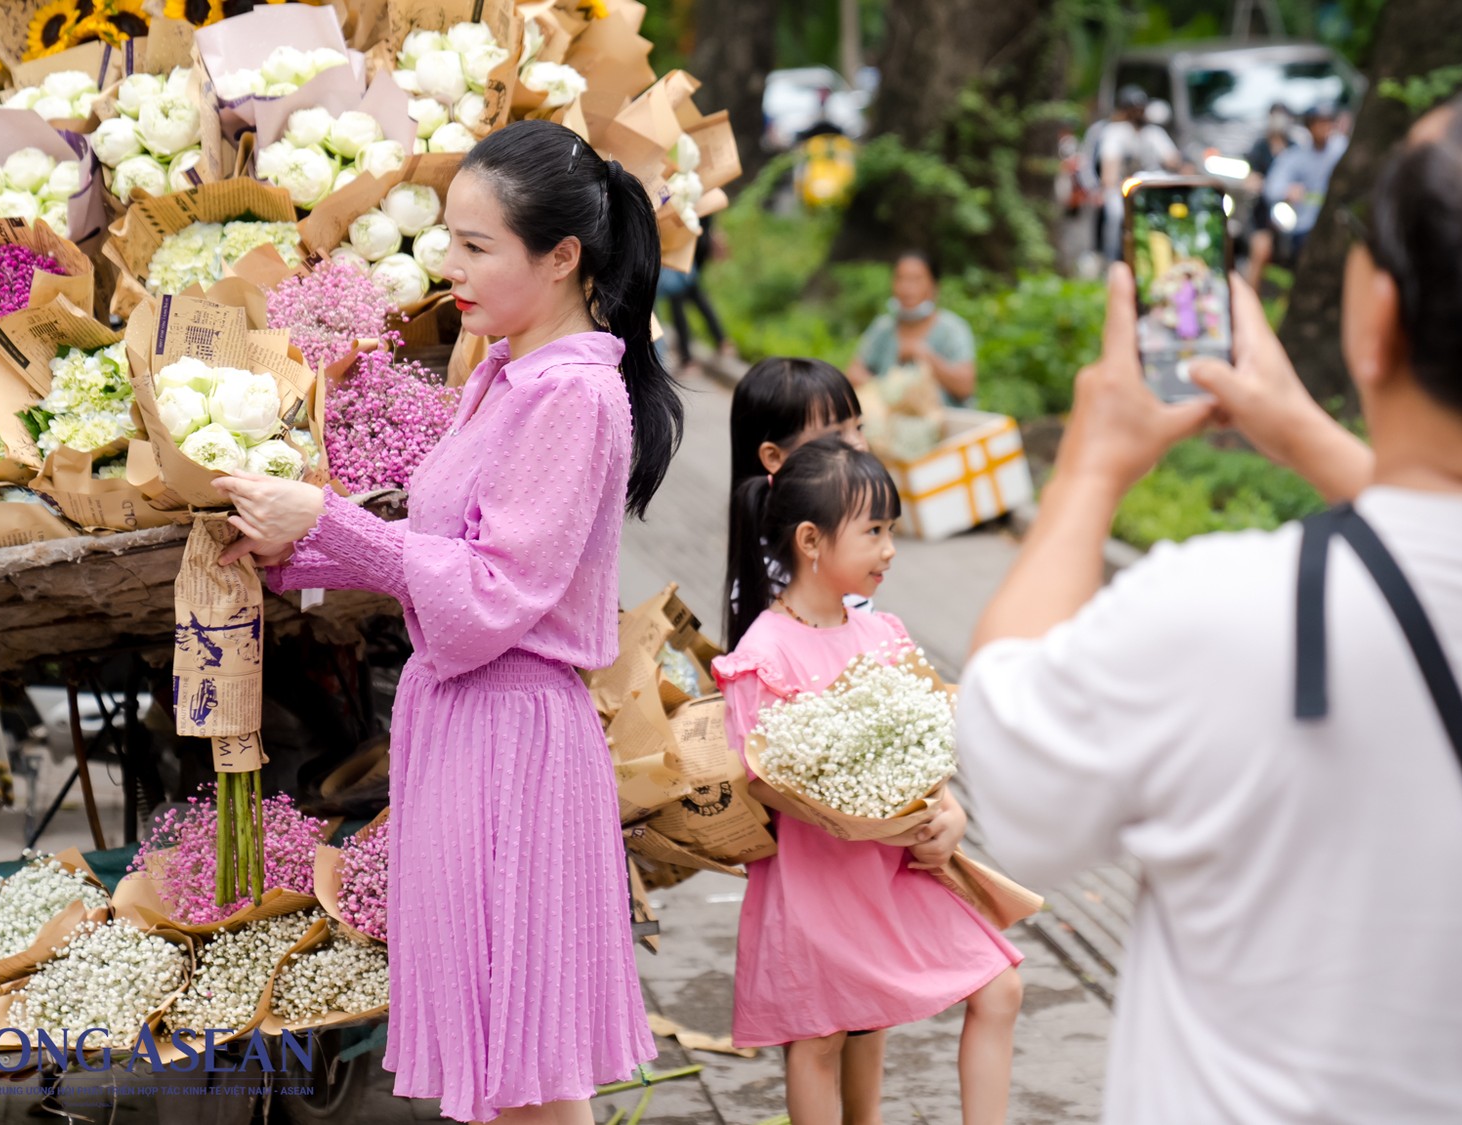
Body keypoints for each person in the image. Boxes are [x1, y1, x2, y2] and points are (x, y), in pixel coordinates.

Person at [958, 68, 1462, 1123]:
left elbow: (1010, 779)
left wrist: (1092, 468)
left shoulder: (1222, 617)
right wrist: (1300, 434)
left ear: (1374, 313)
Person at [211, 119, 684, 1125]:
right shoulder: (501, 374)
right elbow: (435, 553)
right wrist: (292, 544)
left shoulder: (572, 396)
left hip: (511, 734)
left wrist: (327, 520)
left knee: (525, 1073)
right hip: (465, 725)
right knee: (507, 1068)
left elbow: (489, 591)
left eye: (475, 246)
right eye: (445, 238)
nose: (446, 265)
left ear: (561, 259)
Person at [714, 437, 1024, 1125]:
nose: (890, 548)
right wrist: (847, 797)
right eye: (875, 530)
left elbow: (926, 751)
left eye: (890, 530)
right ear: (811, 540)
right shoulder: (763, 652)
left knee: (999, 987)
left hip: (896, 871)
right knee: (819, 1036)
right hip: (815, 887)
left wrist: (947, 815)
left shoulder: (883, 632)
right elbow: (761, 775)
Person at [727, 357, 873, 647]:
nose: (859, 445)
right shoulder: (783, 575)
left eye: (859, 427)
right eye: (835, 435)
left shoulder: (824, 543)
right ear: (774, 457)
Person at [846, 252, 978, 408]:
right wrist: (885, 388)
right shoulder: (883, 327)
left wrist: (925, 357)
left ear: (934, 286)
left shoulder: (952, 329)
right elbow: (852, 373)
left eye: (916, 279)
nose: (906, 287)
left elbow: (966, 386)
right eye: (900, 279)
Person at [1077, 86, 1188, 264]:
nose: (1137, 114)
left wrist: (1184, 167)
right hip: (1122, 189)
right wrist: (1105, 186)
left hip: (1151, 189)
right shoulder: (1114, 132)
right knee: (1116, 214)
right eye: (1133, 110)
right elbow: (1109, 165)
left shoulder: (1153, 132)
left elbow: (1172, 159)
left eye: (1140, 109)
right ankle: (1111, 260)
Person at [1262, 104, 1348, 253]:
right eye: (1319, 122)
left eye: (1328, 121)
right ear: (1309, 126)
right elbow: (1271, 188)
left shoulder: (1342, 149)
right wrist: (1287, 191)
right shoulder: (1295, 157)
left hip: (1339, 223)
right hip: (1304, 225)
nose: (1324, 127)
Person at [659, 217, 734, 373]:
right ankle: (720, 342)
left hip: (684, 249)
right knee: (691, 298)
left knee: (683, 301)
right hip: (685, 247)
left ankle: (689, 357)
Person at [1243, 102, 1298, 290]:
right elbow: (1251, 176)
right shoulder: (1260, 147)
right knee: (1260, 250)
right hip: (1263, 213)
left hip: (1292, 214)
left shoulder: (1295, 148)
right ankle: (1252, 297)